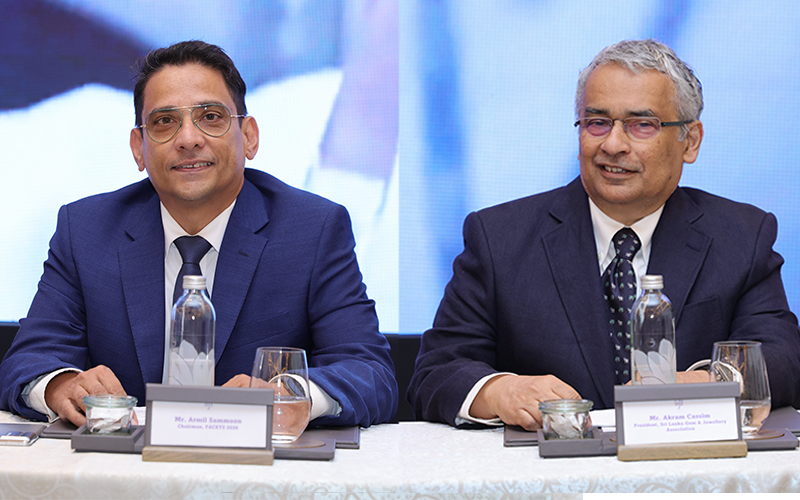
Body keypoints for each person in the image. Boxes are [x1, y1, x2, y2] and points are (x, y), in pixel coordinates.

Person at [0, 40, 397, 428]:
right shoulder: (86, 230)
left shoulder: (312, 229)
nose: (188, 139)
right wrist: (61, 385)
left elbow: (371, 374)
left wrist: (290, 394)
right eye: (164, 122)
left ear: (249, 136)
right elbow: (27, 361)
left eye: (210, 117)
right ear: (139, 148)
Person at [407, 39, 800, 429]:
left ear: (690, 141)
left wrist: (709, 382)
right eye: (597, 123)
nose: (612, 144)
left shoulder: (741, 236)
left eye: (641, 125)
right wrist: (500, 391)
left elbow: (782, 359)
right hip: (547, 464)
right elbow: (437, 371)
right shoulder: (499, 238)